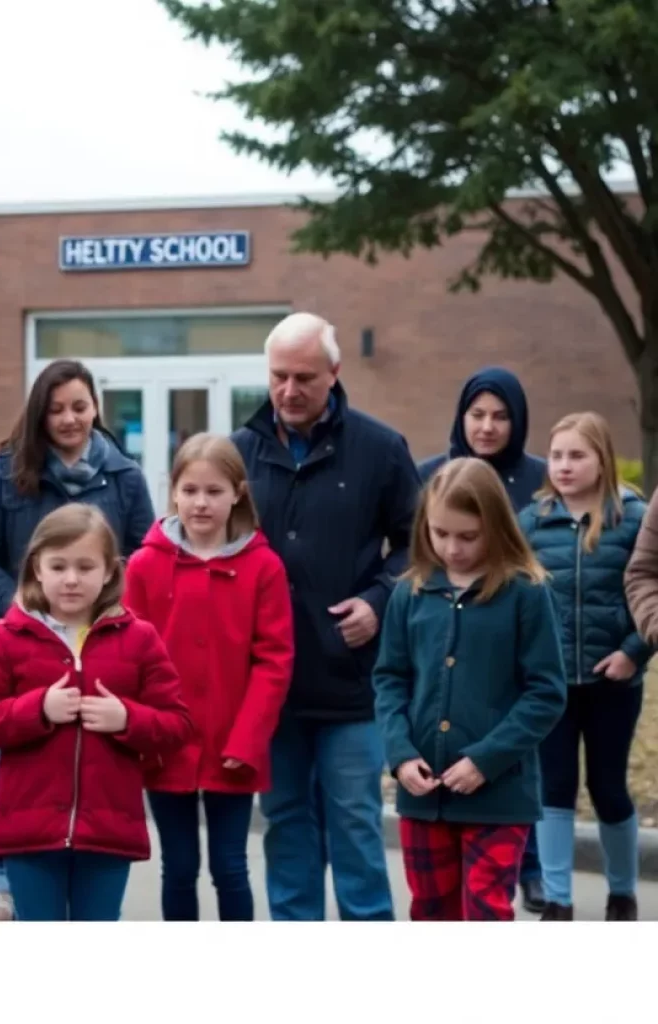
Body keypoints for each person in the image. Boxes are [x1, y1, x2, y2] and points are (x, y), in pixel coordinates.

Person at [232, 312, 419, 922]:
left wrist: (379, 599)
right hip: (268, 687)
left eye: (304, 378)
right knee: (285, 828)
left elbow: (419, 547)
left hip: (351, 683)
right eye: (278, 376)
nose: (289, 391)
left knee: (356, 827)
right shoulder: (239, 452)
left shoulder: (382, 449)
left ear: (335, 373)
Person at [0, 358, 154, 920]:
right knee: (20, 745)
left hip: (97, 637)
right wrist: (18, 609)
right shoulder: (7, 470)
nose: (69, 418)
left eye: (79, 406)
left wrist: (118, 617)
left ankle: (91, 856)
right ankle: (2, 875)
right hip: (30, 637)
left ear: (95, 406)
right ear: (38, 413)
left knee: (92, 748)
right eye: (56, 408)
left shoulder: (124, 475)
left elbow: (145, 554)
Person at [0, 503, 192, 921]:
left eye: (85, 567)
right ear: (37, 570)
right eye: (58, 565)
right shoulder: (5, 638)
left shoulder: (140, 639)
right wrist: (38, 710)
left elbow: (177, 725)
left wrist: (128, 719)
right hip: (28, 835)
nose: (70, 579)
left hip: (108, 834)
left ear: (108, 572)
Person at [373, 458, 567, 921]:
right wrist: (400, 754)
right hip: (423, 794)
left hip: (499, 796)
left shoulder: (526, 592)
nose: (452, 548)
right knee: (431, 909)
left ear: (496, 526)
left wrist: (486, 759)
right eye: (440, 534)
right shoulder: (410, 592)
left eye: (467, 536)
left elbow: (546, 692)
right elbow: (389, 679)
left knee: (485, 910)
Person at [124, 434, 293, 921]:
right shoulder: (144, 565)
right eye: (191, 489)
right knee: (177, 868)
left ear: (238, 492)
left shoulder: (263, 567)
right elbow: (131, 656)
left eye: (214, 491)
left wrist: (248, 739)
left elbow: (274, 660)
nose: (201, 502)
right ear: (173, 490)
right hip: (166, 744)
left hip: (232, 747)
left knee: (230, 867)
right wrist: (144, 731)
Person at [419, 366, 549, 912]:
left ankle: (535, 867)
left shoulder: (539, 479)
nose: (488, 426)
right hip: (446, 641)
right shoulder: (431, 476)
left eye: (501, 416)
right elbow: (393, 675)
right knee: (436, 902)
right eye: (478, 414)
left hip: (511, 640)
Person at [520, 413, 650, 921]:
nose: (565, 466)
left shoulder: (633, 517)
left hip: (613, 680)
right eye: (557, 456)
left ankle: (622, 892)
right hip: (551, 685)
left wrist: (632, 653)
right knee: (553, 789)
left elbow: (651, 593)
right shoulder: (532, 520)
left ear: (602, 460)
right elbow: (516, 599)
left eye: (577, 455)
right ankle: (558, 899)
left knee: (608, 786)